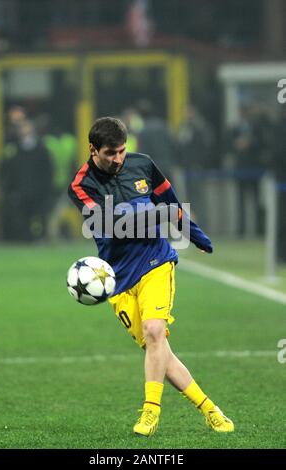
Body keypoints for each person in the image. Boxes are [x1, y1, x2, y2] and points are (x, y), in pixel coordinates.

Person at [68, 117, 234, 436]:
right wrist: (156, 214)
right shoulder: (80, 184)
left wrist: (196, 236)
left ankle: (150, 412)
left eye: (122, 151)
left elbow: (170, 203)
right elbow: (113, 225)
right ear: (93, 150)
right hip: (116, 279)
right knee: (158, 352)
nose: (118, 159)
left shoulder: (142, 165)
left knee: (155, 331)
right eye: (110, 153)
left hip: (155, 260)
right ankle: (211, 410)